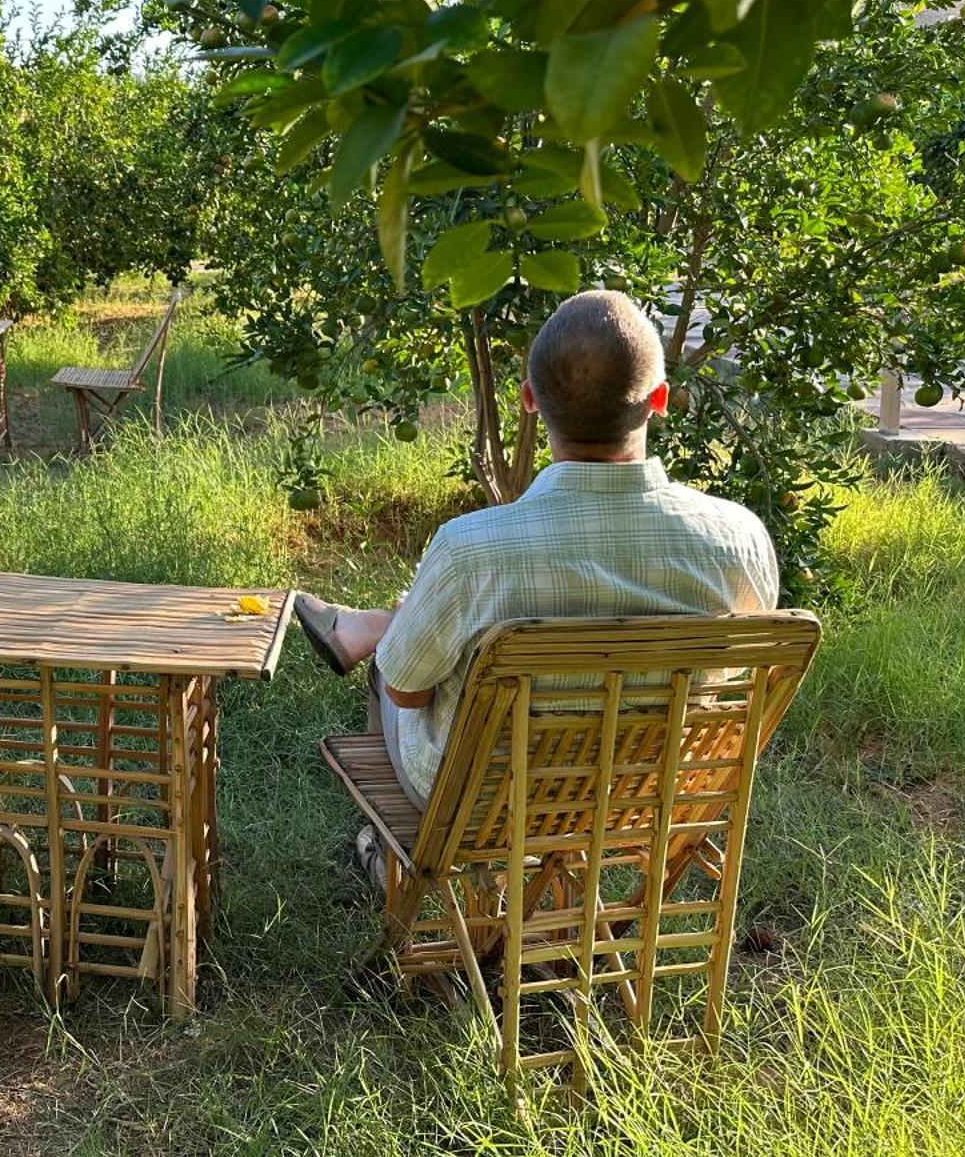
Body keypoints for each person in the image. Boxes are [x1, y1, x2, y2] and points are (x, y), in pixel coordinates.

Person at [294, 289, 779, 887]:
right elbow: (734, 679)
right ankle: (379, 627)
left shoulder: (471, 549)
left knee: (396, 671)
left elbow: (410, 697)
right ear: (659, 400)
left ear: (528, 401)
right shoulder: (739, 540)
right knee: (424, 646)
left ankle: (395, 865)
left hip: (485, 804)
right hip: (649, 798)